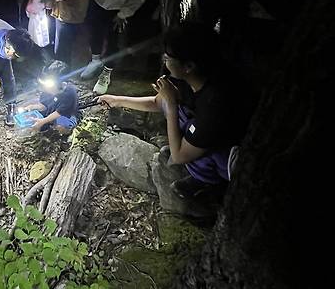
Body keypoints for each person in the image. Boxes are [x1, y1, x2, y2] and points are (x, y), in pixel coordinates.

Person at [98, 22, 254, 202]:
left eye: (168, 56)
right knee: (178, 126)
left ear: (188, 66)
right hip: (201, 132)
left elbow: (179, 156)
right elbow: (158, 103)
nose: (164, 59)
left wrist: (171, 104)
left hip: (228, 153)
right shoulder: (187, 78)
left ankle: (208, 184)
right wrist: (116, 100)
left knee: (182, 150)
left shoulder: (215, 102)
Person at [21, 60, 79, 133]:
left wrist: (42, 122)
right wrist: (32, 107)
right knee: (30, 111)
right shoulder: (48, 87)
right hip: (51, 111)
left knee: (61, 126)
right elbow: (44, 105)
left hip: (66, 115)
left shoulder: (69, 92)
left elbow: (59, 113)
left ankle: (63, 128)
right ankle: (47, 123)